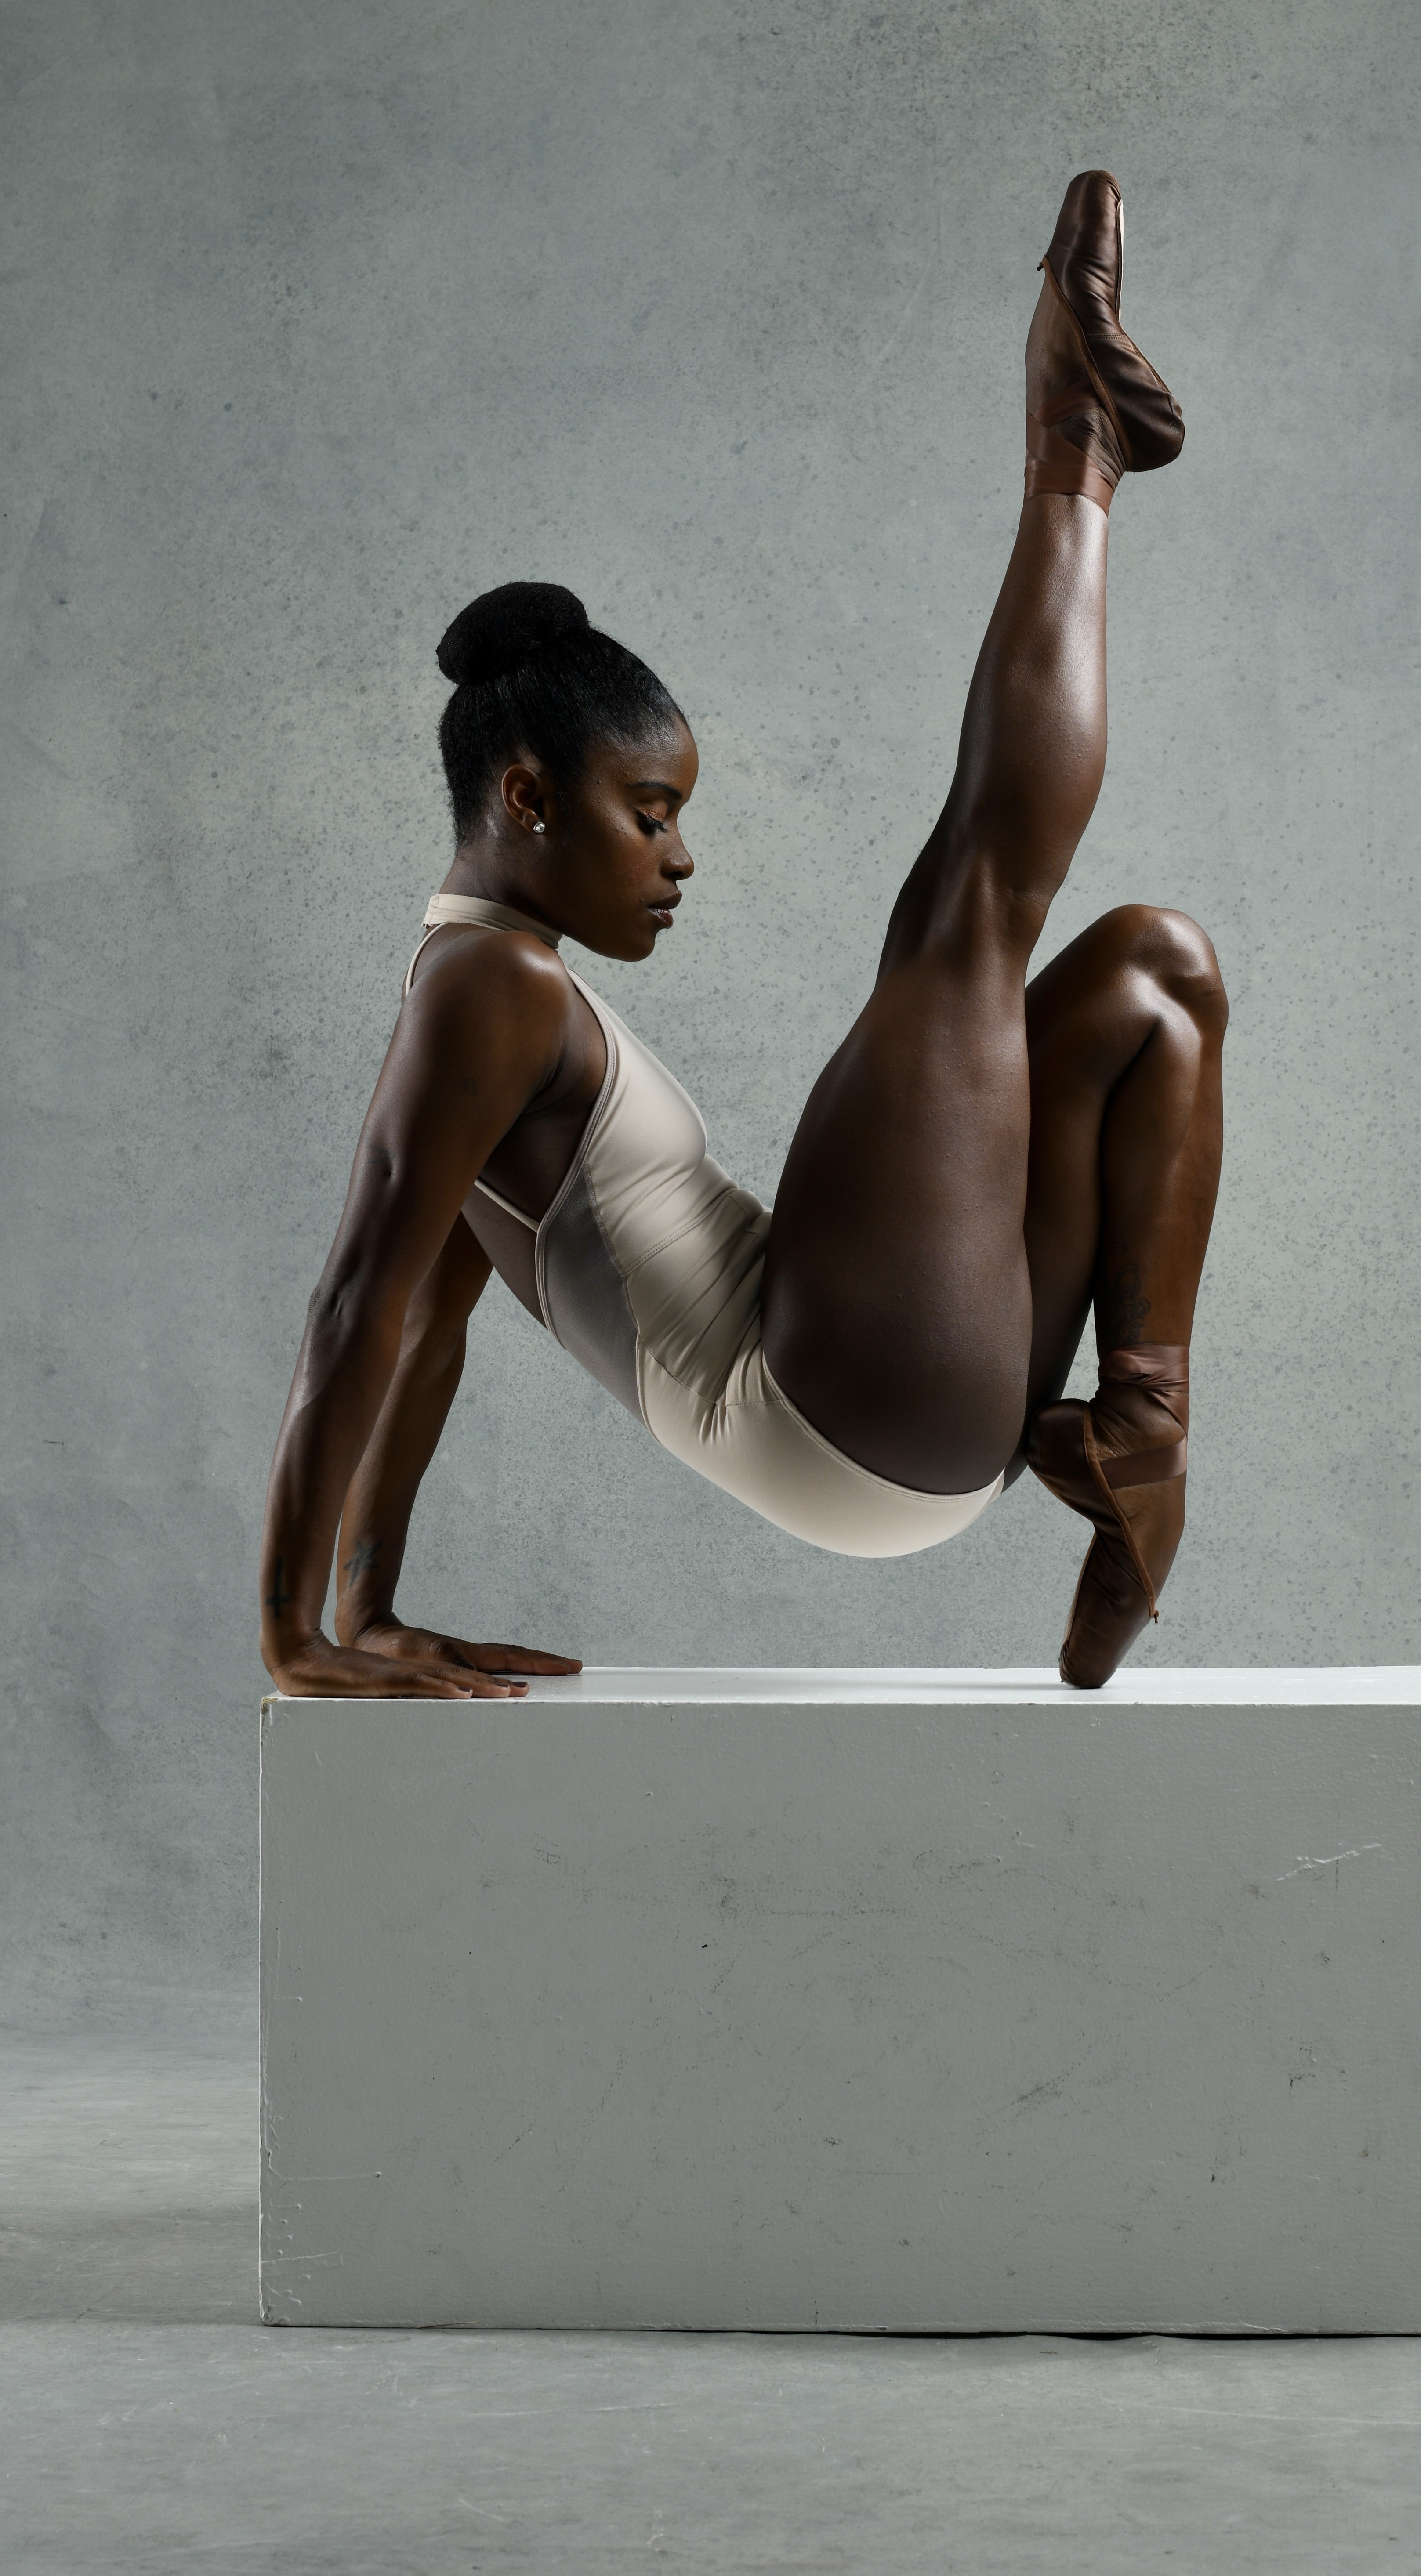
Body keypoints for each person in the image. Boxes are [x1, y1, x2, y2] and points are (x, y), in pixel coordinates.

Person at [257, 173, 1227, 1699]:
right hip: (832, 1403)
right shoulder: (486, 989)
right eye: (648, 814)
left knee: (1152, 977)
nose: (680, 857)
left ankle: (1138, 1439)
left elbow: (429, 1316)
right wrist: (294, 1637)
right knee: (968, 912)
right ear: (525, 797)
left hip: (908, 1420)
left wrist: (369, 1605)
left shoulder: (484, 1008)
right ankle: (1072, 449)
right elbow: (356, 1305)